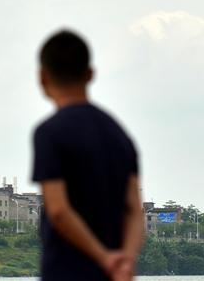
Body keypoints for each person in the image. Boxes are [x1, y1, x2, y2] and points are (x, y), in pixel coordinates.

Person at [31, 29, 144, 281]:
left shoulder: (49, 133)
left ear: (42, 77)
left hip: (65, 272)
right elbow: (135, 210)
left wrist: (104, 257)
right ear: (90, 74)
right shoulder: (120, 135)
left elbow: (58, 210)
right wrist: (125, 261)